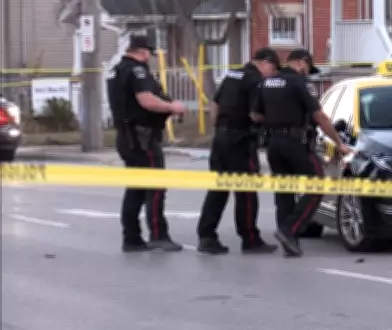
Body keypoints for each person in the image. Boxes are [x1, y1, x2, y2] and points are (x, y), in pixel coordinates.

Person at [255, 49, 352, 257]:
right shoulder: (299, 83)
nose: (307, 72)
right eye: (307, 68)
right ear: (301, 63)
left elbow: (255, 114)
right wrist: (339, 143)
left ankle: (290, 241)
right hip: (295, 143)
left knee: (283, 193)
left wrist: (276, 121)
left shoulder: (267, 82)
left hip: (273, 143)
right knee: (317, 184)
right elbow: (319, 116)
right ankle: (289, 229)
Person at [195, 48, 282, 255]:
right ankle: (250, 239)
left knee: (218, 189)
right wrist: (271, 120)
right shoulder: (255, 80)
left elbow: (214, 104)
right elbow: (254, 113)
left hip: (221, 138)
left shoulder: (232, 74)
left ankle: (206, 237)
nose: (273, 74)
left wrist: (218, 129)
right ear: (266, 63)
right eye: (274, 69)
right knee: (247, 191)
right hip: (240, 141)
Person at [107, 35, 187, 252]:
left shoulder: (117, 69)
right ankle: (158, 235)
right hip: (143, 138)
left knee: (136, 189)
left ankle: (131, 237)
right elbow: (146, 100)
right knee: (155, 187)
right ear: (143, 51)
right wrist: (173, 107)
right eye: (151, 53)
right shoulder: (136, 70)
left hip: (127, 137)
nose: (151, 57)